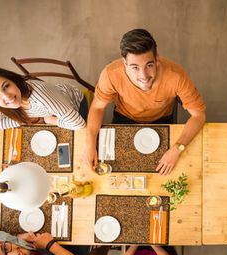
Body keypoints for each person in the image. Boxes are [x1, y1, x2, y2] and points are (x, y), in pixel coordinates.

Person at [83, 28, 207, 176]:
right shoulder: (110, 74)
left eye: (149, 65)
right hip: (124, 118)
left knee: (165, 173)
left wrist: (177, 148)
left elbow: (199, 116)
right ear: (124, 63)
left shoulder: (176, 75)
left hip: (161, 120)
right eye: (135, 67)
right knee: (117, 173)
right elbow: (97, 107)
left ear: (157, 59)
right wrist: (90, 144)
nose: (144, 76)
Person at [0, 67, 89, 130]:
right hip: (52, 111)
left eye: (6, 86)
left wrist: (48, 120)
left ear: (14, 81)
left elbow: (79, 124)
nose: (7, 97)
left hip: (75, 105)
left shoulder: (41, 96)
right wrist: (23, 120)